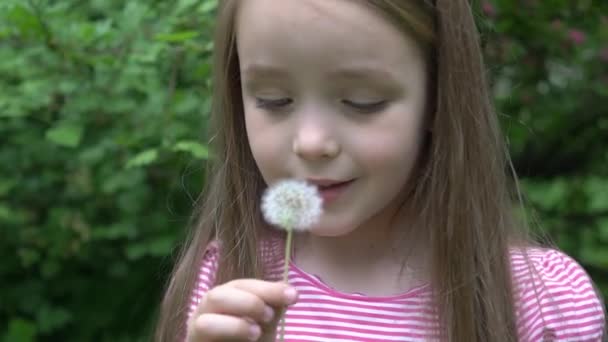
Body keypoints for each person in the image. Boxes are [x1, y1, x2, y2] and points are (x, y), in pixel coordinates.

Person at [155, 0, 607, 341]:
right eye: (274, 100)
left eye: (361, 102)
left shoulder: (545, 305)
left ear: (438, 98)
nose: (310, 142)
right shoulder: (226, 284)